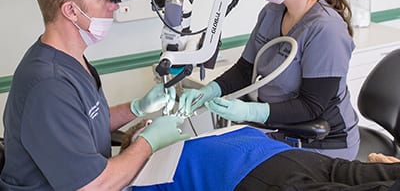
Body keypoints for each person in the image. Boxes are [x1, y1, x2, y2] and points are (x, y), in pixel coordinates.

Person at [0, 0, 189, 191]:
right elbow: (92, 186)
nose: (115, 5)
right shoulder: (48, 84)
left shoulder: (70, 60)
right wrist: (148, 142)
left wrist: (136, 108)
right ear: (70, 11)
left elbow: (85, 121)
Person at [179, 0, 359, 160]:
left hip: (322, 144)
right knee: (207, 157)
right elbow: (246, 69)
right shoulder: (273, 12)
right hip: (277, 130)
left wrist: (250, 111)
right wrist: (210, 90)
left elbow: (312, 106)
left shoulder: (326, 30)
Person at [121, 122, 400, 191]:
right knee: (370, 177)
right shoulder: (144, 175)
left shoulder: (203, 138)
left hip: (273, 170)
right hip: (280, 165)